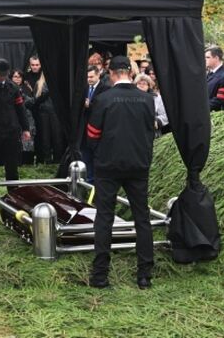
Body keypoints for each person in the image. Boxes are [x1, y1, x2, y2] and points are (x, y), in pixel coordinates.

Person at [86, 56, 155, 289]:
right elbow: (150, 132)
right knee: (142, 218)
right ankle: (144, 275)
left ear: (112, 73)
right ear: (130, 72)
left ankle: (100, 275)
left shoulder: (103, 99)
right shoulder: (147, 99)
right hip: (138, 164)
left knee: (104, 218)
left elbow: (92, 134)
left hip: (108, 164)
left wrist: (100, 153)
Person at [81, 65, 110, 181]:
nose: (89, 79)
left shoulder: (105, 89)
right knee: (86, 155)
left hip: (98, 128)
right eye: (87, 77)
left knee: (96, 156)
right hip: (85, 128)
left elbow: (103, 107)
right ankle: (88, 179)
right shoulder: (84, 88)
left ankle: (97, 179)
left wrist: (90, 105)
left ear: (98, 75)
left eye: (92, 77)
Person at [11, 69, 35, 165]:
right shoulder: (8, 87)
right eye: (15, 77)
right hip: (13, 118)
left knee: (27, 142)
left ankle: (28, 163)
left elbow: (32, 102)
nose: (17, 79)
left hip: (27, 117)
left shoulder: (26, 88)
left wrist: (22, 95)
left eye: (19, 77)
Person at [205, 47, 224, 111]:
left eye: (207, 57)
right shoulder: (209, 73)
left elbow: (220, 99)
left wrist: (201, 107)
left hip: (215, 113)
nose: (205, 59)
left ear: (216, 58)